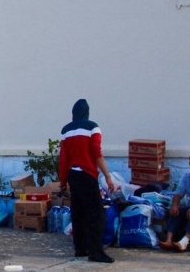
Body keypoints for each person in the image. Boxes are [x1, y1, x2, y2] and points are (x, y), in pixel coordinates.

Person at [59, 99, 116, 263]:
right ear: (87, 112)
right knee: (96, 214)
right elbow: (97, 153)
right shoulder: (93, 127)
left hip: (73, 175)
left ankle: (80, 248)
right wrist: (107, 175)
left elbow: (63, 158)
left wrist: (63, 181)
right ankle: (96, 251)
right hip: (87, 174)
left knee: (78, 213)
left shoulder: (65, 130)